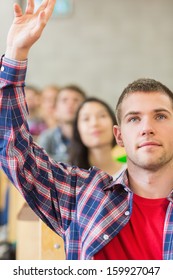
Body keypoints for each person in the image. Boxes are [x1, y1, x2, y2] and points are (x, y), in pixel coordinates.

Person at [0, 0, 173, 260]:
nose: (147, 128)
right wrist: (15, 54)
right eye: (134, 119)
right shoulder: (81, 194)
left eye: (160, 116)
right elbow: (14, 149)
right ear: (119, 136)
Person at [70, 97, 124, 177]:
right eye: (86, 119)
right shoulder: (70, 178)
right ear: (77, 130)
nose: (94, 123)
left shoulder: (131, 174)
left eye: (102, 116)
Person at [38, 84, 86, 162]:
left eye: (76, 100)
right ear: (55, 109)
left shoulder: (91, 137)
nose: (70, 104)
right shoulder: (46, 138)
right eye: (64, 100)